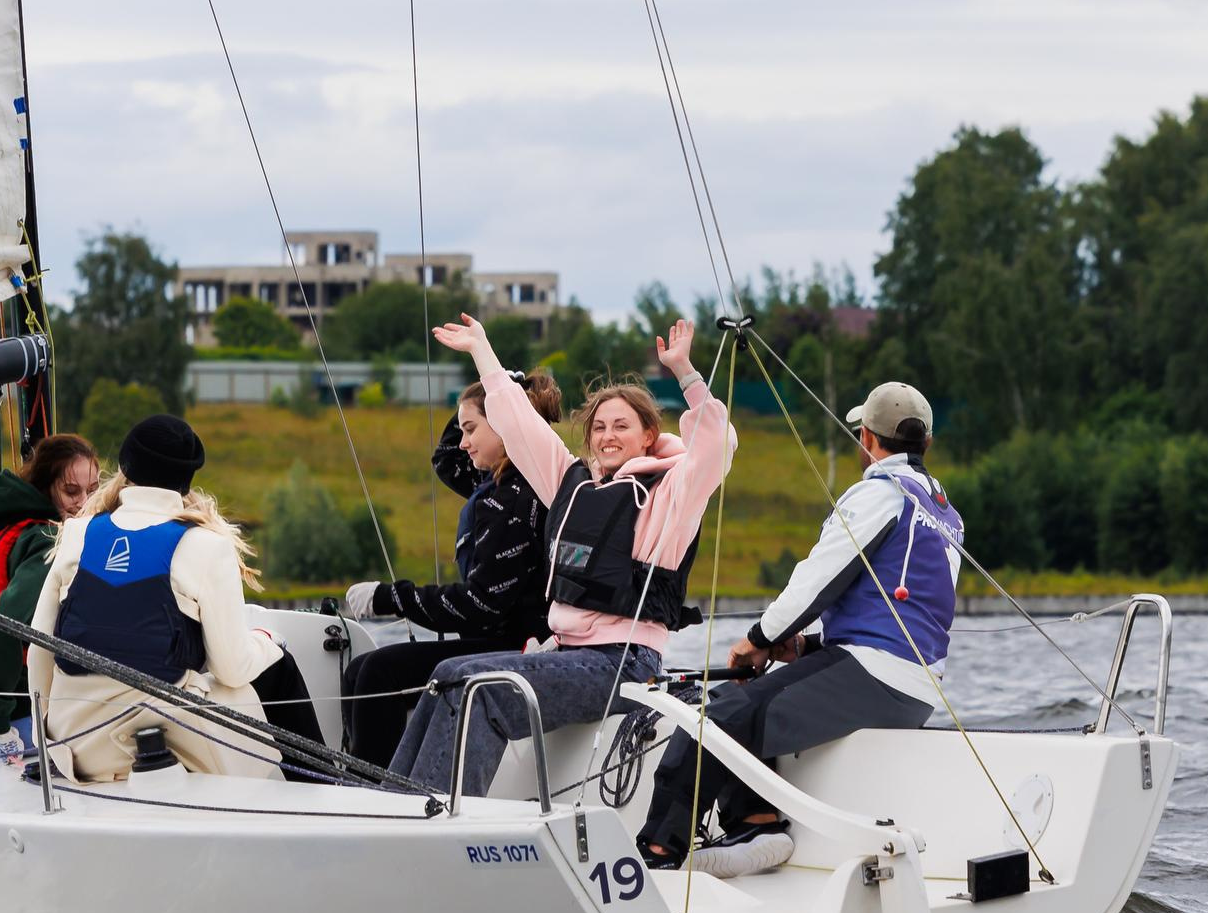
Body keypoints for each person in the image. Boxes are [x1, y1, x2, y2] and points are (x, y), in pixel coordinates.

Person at [388, 312, 734, 795]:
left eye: (622, 426)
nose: (608, 436)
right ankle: (398, 801)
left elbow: (717, 446)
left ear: (648, 436)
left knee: (485, 691)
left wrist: (685, 372)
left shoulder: (671, 494)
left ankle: (439, 811)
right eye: (600, 427)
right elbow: (520, 427)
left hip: (623, 662)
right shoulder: (572, 485)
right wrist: (482, 352)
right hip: (569, 653)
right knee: (446, 674)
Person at [636, 382, 964, 877]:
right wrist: (806, 646)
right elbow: (904, 613)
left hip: (876, 677)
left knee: (714, 720)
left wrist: (758, 639)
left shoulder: (879, 493)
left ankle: (656, 856)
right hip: (914, 689)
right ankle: (757, 824)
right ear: (928, 444)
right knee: (744, 701)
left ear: (866, 438)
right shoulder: (946, 515)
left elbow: (816, 580)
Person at [27, 415, 288, 782]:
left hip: (80, 750)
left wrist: (47, 743)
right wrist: (269, 642)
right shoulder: (208, 546)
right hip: (165, 745)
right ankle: (320, 785)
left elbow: (39, 650)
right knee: (269, 674)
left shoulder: (77, 532)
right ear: (188, 478)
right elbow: (231, 669)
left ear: (124, 467)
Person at [336, 370, 563, 765]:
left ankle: (377, 788)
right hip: (493, 638)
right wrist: (497, 385)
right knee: (359, 671)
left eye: (471, 429)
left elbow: (480, 605)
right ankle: (363, 773)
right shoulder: (501, 480)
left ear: (505, 426)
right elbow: (446, 458)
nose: (463, 441)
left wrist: (390, 597)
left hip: (517, 646)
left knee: (379, 672)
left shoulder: (513, 500)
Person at [0, 433, 101, 760]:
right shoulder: (47, 541)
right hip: (9, 724)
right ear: (46, 488)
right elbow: (7, 626)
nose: (85, 503)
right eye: (71, 491)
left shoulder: (10, 523)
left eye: (93, 490)